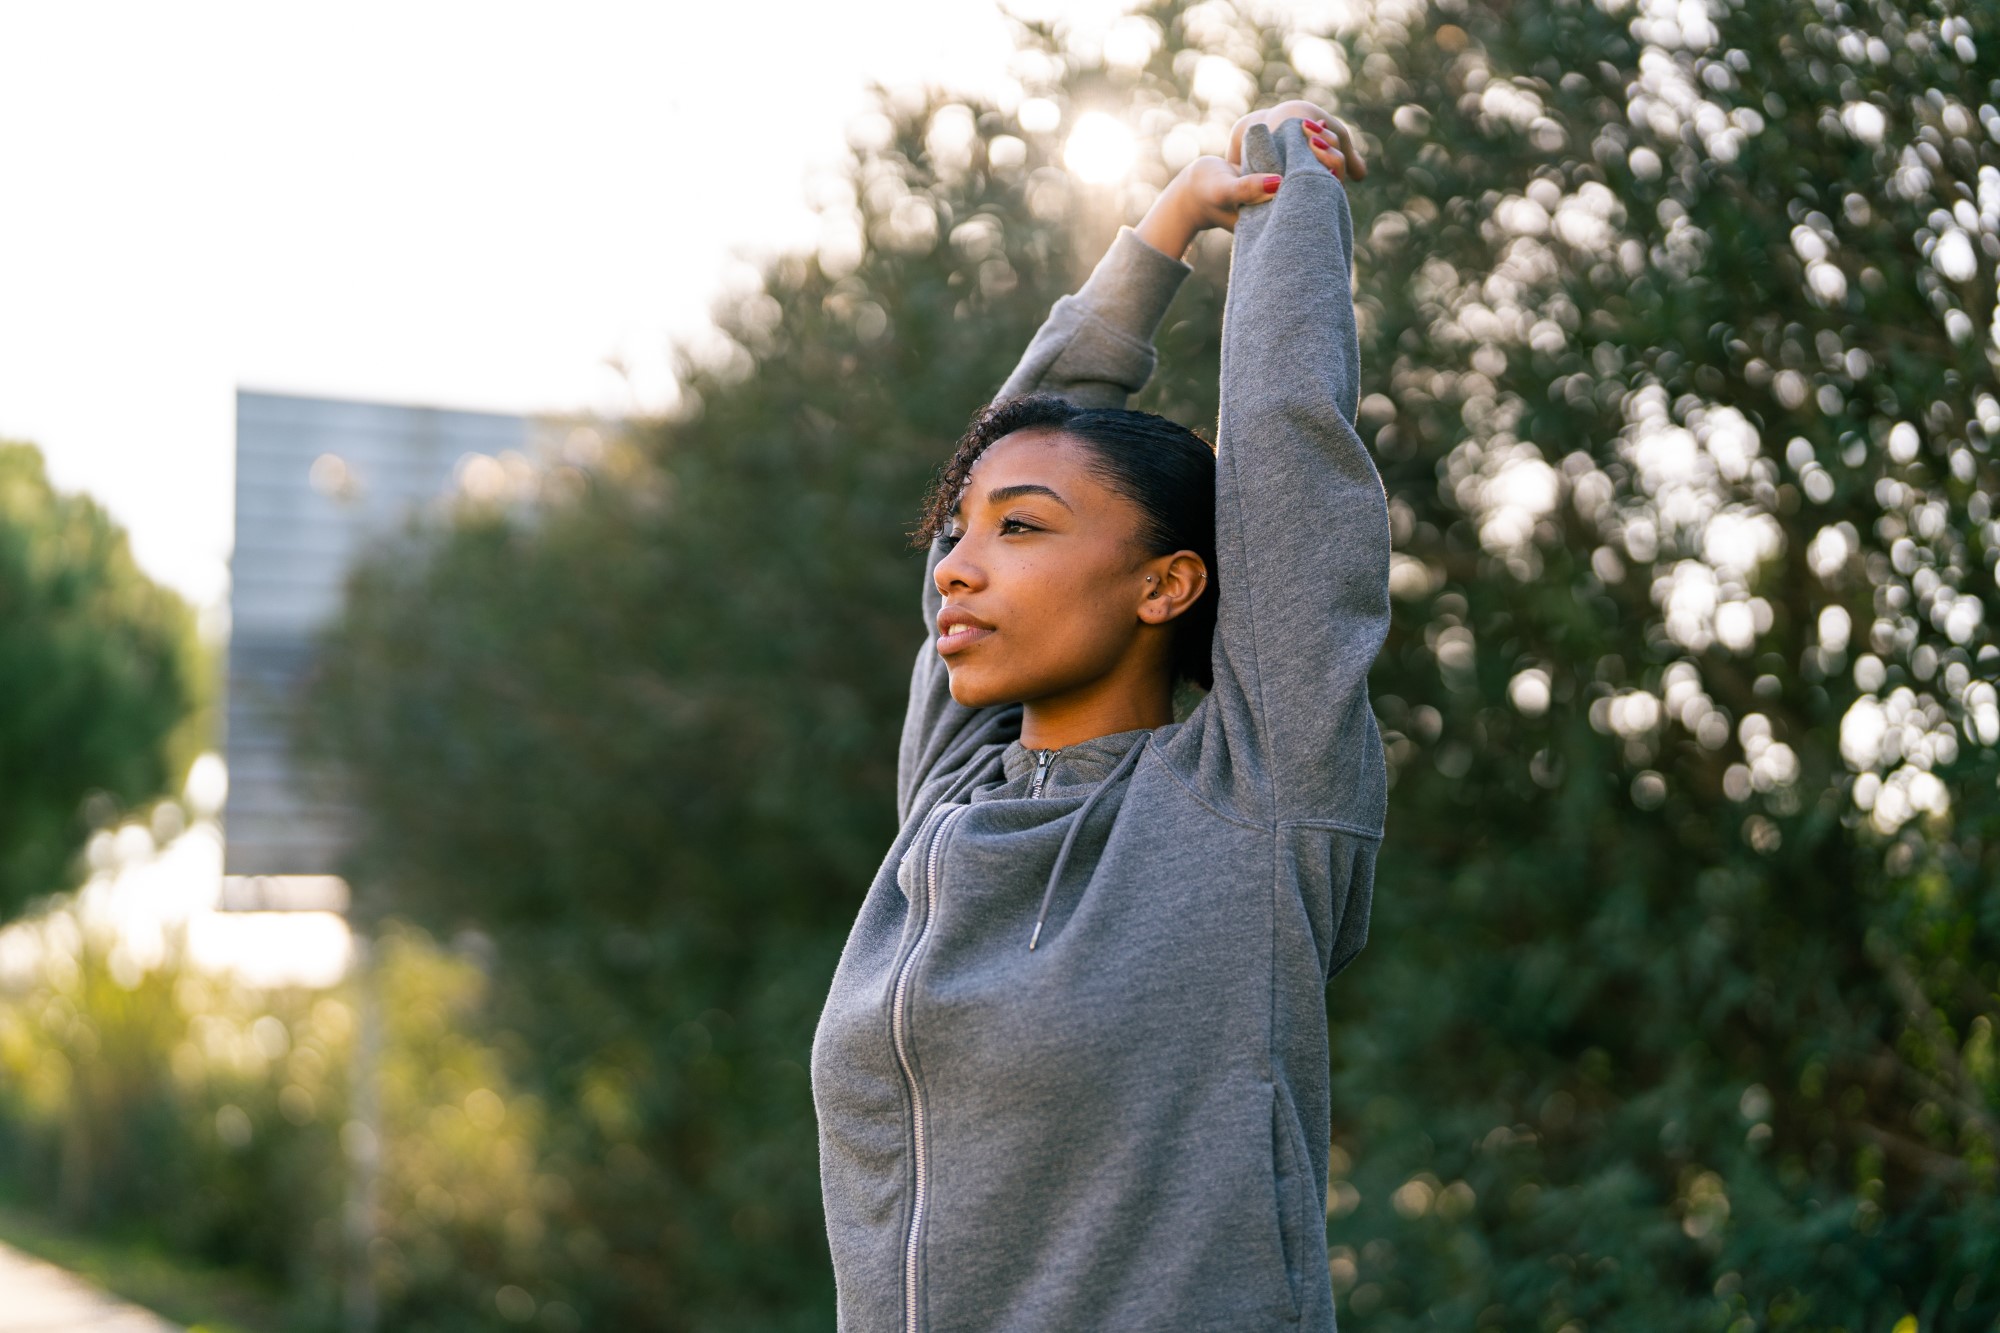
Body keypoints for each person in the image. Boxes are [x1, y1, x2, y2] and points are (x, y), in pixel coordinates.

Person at [811, 100, 1388, 1332]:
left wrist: (1283, 200)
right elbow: (1008, 454)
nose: (958, 568)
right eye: (957, 532)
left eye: (1020, 528)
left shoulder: (1250, 802)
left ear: (1165, 584)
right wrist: (1159, 231)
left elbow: (1291, 463)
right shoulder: (951, 807)